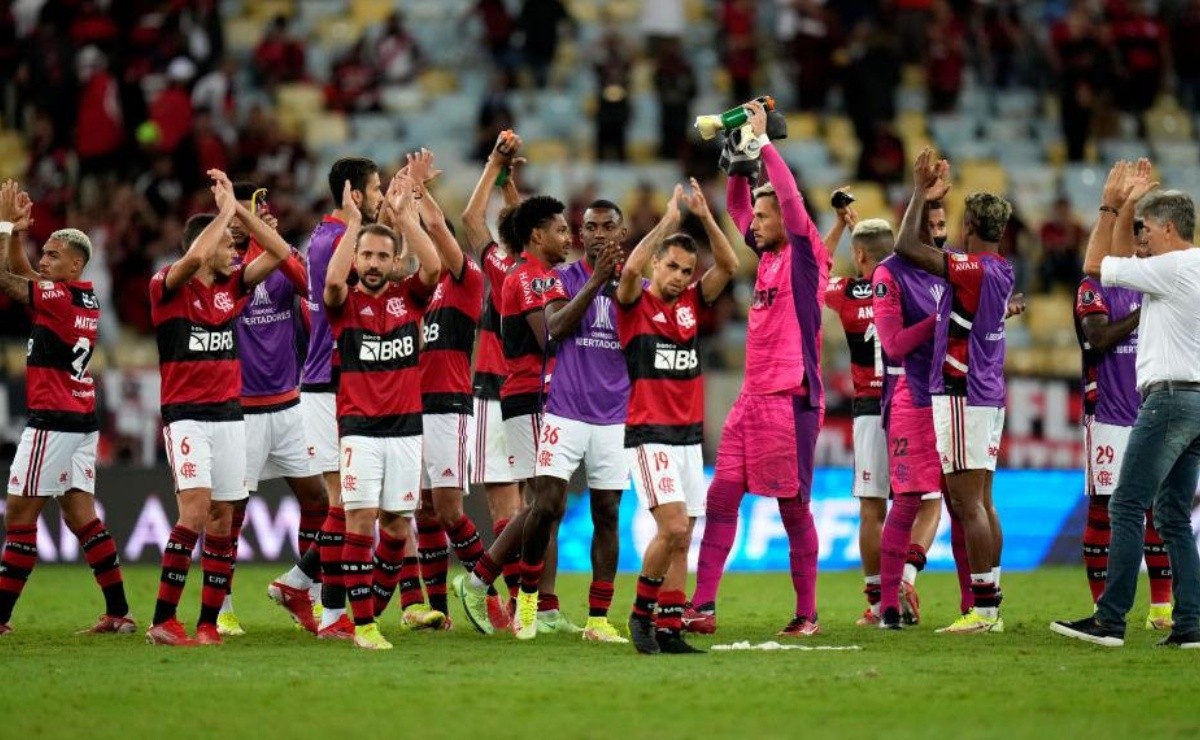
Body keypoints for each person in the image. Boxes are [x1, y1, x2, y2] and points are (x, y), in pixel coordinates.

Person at [687, 100, 831, 637]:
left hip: (792, 397)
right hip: (752, 398)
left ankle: (807, 614)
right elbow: (737, 208)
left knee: (793, 508)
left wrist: (766, 142)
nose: (757, 222)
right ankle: (702, 606)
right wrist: (738, 163)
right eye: (761, 216)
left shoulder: (803, 252)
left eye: (765, 217)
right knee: (721, 495)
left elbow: (789, 201)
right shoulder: (768, 254)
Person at [1053, 160, 1200, 649]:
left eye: (1150, 230)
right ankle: (1191, 624)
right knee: (1174, 517)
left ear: (1170, 228)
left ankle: (1110, 619)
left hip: (1170, 399)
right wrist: (1128, 212)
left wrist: (1110, 207)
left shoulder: (1173, 268)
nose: (1145, 239)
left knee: (1126, 503)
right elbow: (1120, 275)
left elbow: (1097, 269)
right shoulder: (1194, 266)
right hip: (1197, 402)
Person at [146, 170, 291, 646]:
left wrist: (243, 216)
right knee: (195, 513)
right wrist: (226, 211)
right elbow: (190, 260)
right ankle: (164, 619)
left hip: (231, 415)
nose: (236, 252)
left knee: (224, 519)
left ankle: (208, 622)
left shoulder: (233, 289)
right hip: (186, 416)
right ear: (204, 247)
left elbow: (278, 253)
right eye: (229, 245)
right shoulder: (166, 287)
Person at [0, 181, 132, 636]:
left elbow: (7, 281)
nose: (44, 259)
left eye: (53, 255)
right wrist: (18, 237)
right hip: (81, 422)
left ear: (75, 264)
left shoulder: (58, 298)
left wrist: (1, 225)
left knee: (19, 516)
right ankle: (119, 612)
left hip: (53, 421)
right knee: (82, 517)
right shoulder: (81, 298)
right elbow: (26, 277)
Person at [892, 149, 1013, 634]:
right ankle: (992, 603)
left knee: (967, 504)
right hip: (989, 393)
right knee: (983, 500)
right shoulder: (1003, 269)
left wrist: (920, 192)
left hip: (962, 391)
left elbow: (904, 247)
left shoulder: (973, 268)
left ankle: (983, 612)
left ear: (969, 227)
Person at [619, 181, 738, 654]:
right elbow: (629, 269)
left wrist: (706, 218)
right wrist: (670, 220)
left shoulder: (692, 303)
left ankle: (669, 627)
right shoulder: (634, 301)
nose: (679, 276)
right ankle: (640, 616)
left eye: (687, 270)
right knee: (670, 528)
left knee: (683, 536)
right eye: (670, 266)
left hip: (688, 438)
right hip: (651, 435)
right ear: (655, 264)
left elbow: (729, 265)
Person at [324, 174, 441, 650]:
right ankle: (365, 626)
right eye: (365, 256)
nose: (372, 264)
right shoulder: (344, 303)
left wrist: (404, 220)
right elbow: (332, 280)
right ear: (357, 259)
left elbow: (432, 267)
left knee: (396, 525)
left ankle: (368, 604)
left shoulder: (407, 298)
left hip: (406, 430)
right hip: (360, 432)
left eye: (381, 257)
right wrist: (356, 223)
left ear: (394, 263)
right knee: (360, 521)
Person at [455, 194, 572, 636]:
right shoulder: (531, 280)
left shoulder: (538, 275)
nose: (568, 237)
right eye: (560, 230)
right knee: (542, 502)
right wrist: (593, 290)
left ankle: (541, 606)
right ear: (537, 236)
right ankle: (478, 580)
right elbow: (551, 339)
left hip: (535, 398)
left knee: (549, 505)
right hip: (531, 396)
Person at [219, 182, 327, 637]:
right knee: (230, 512)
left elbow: (308, 285)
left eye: (263, 209)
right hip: (240, 411)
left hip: (288, 406)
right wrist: (264, 239)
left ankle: (309, 595)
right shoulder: (220, 267)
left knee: (319, 501)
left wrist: (277, 246)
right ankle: (221, 607)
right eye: (251, 211)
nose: (261, 216)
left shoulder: (284, 267)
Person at [1072, 161, 1173, 630]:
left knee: (1157, 509)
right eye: (1131, 238)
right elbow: (1099, 340)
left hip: (1150, 409)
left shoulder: (1156, 286)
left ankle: (1161, 608)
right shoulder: (1094, 289)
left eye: (1141, 240)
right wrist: (1115, 205)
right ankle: (1101, 609)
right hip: (1108, 414)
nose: (1139, 247)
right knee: (1103, 510)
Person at [531, 198, 631, 643]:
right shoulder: (562, 278)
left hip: (614, 417)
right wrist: (594, 282)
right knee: (547, 505)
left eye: (608, 226)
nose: (598, 234)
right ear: (581, 233)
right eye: (590, 227)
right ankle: (529, 605)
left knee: (607, 513)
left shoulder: (635, 286)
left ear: (621, 233)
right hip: (565, 410)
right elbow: (555, 328)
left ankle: (598, 618)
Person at [297, 157, 384, 640]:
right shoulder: (337, 240)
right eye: (375, 190)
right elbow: (353, 291)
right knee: (345, 504)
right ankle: (329, 611)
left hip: (336, 379)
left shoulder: (332, 234)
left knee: (347, 502)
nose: (379, 198)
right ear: (354, 192)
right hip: (327, 381)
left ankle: (301, 584)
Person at [405, 150, 488, 631]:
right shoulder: (416, 288)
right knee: (421, 508)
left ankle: (485, 592)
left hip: (449, 404)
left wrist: (419, 192)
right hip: (409, 405)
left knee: (450, 507)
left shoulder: (465, 280)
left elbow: (437, 229)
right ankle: (435, 609)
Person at [823, 206, 908, 626]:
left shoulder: (845, 293)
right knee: (914, 504)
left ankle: (877, 603)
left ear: (859, 257)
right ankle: (905, 582)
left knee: (872, 509)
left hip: (869, 411)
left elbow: (812, 274)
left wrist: (841, 226)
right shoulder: (910, 287)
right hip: (910, 405)